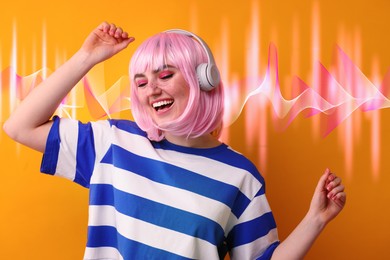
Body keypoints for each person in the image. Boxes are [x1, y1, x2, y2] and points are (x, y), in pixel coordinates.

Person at [3, 22, 346, 260]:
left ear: (204, 80)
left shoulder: (241, 177)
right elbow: (19, 126)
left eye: (165, 75)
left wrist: (315, 220)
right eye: (140, 82)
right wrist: (87, 57)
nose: (151, 89)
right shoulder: (113, 142)